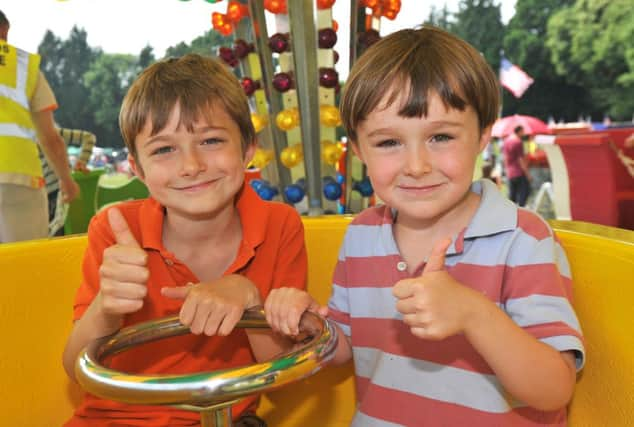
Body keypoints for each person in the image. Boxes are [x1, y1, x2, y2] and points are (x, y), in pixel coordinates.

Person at [265, 27, 584, 426]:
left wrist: (474, 314)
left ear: (483, 132)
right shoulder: (362, 235)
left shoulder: (522, 239)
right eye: (388, 143)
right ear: (360, 149)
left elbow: (554, 389)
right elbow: (345, 345)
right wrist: (307, 325)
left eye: (441, 137)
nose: (417, 166)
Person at [62, 54, 307, 427]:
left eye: (210, 140)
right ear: (137, 168)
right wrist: (107, 308)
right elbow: (75, 367)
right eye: (164, 149)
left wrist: (250, 299)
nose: (191, 165)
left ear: (247, 149)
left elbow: (278, 374)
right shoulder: (114, 231)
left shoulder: (279, 224)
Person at [0, 10, 79, 243]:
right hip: (20, 180)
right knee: (27, 265)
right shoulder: (23, 65)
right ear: (4, 31)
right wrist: (66, 179)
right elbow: (49, 137)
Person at [43, 127, 96, 236]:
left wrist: (81, 161)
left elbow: (88, 137)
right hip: (41, 194)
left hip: (58, 194)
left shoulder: (48, 131)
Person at [502, 125, 532, 206]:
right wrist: (528, 174)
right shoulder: (518, 142)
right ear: (519, 131)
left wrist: (506, 170)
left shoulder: (506, 141)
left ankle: (511, 213)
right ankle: (521, 210)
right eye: (523, 131)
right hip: (519, 172)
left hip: (510, 172)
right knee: (524, 192)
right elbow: (520, 160)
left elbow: (505, 157)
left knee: (512, 196)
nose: (524, 134)